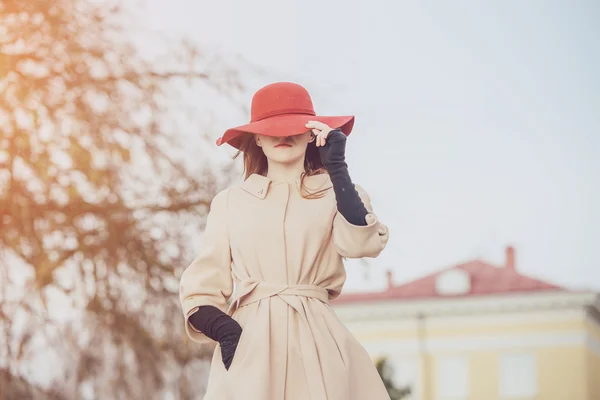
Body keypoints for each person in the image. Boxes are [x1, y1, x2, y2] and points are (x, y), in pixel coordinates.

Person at [179, 82, 390, 399]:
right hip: (251, 343)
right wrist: (226, 331)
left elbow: (361, 244)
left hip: (320, 339)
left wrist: (337, 170)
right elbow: (202, 287)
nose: (284, 135)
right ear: (258, 138)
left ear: (311, 134)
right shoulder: (230, 202)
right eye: (272, 129)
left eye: (295, 127)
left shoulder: (338, 193)